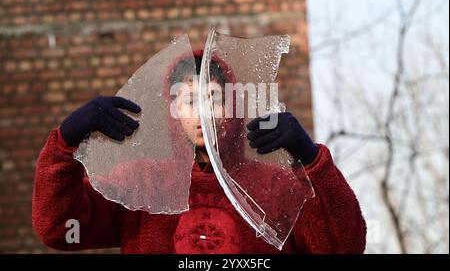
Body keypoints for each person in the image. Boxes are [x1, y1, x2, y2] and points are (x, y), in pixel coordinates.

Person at [32, 50, 366, 253]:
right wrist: (64, 145)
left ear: (231, 107)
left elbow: (344, 245)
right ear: (172, 109)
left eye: (213, 99)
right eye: (190, 100)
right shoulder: (142, 184)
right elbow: (58, 228)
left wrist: (312, 160)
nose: (203, 113)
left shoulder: (273, 187)